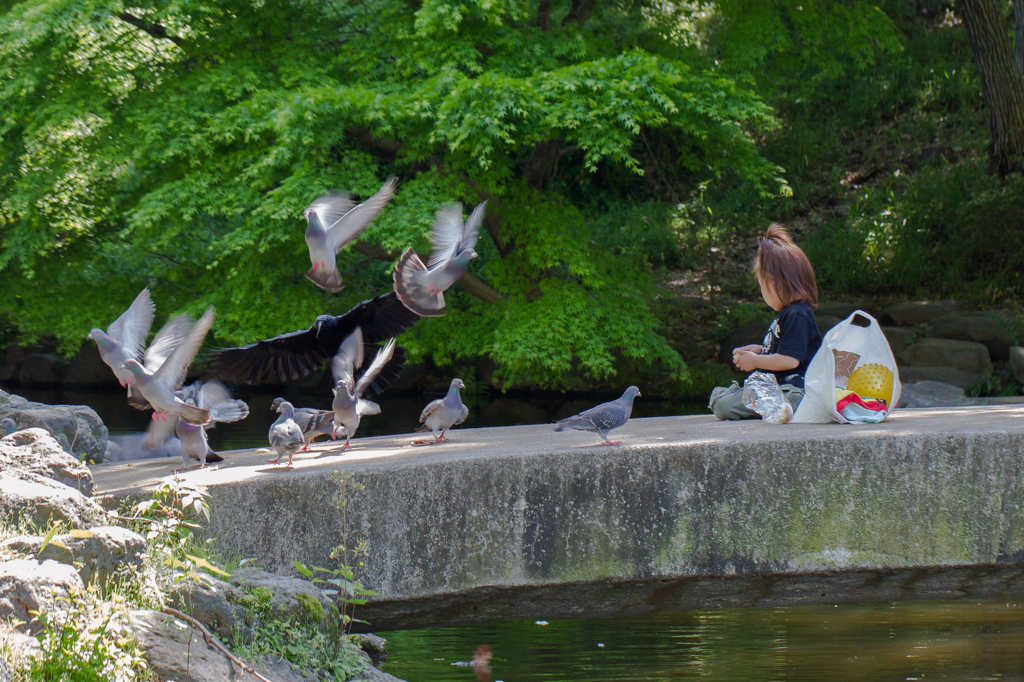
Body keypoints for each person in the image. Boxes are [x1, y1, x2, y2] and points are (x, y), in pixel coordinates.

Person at [709, 223, 822, 420]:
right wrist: (760, 350)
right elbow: (786, 349)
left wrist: (755, 361)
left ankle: (780, 407)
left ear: (774, 282)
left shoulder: (797, 314)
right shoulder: (788, 314)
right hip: (775, 389)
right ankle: (762, 405)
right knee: (723, 404)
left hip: (793, 389)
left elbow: (790, 359)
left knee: (725, 407)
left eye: (761, 286)